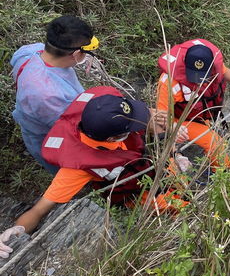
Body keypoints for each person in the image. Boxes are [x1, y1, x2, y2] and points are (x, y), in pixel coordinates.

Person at [0, 87, 186, 253]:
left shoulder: (105, 112)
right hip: (136, 192)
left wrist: (174, 147)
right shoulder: (77, 168)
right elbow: (39, 210)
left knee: (183, 186)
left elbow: (152, 118)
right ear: (115, 138)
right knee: (182, 209)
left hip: (153, 166)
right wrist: (17, 230)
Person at [10, 15, 98, 174]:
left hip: (34, 119)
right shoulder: (48, 95)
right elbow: (73, 129)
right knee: (68, 167)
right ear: (77, 54)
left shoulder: (30, 50)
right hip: (51, 138)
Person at [157, 39, 230, 169]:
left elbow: (224, 71)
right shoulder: (169, 82)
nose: (198, 81)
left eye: (202, 76)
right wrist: (174, 132)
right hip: (178, 120)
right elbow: (160, 115)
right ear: (185, 65)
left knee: (215, 139)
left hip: (200, 115)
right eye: (194, 75)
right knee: (214, 142)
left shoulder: (214, 65)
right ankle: (226, 172)